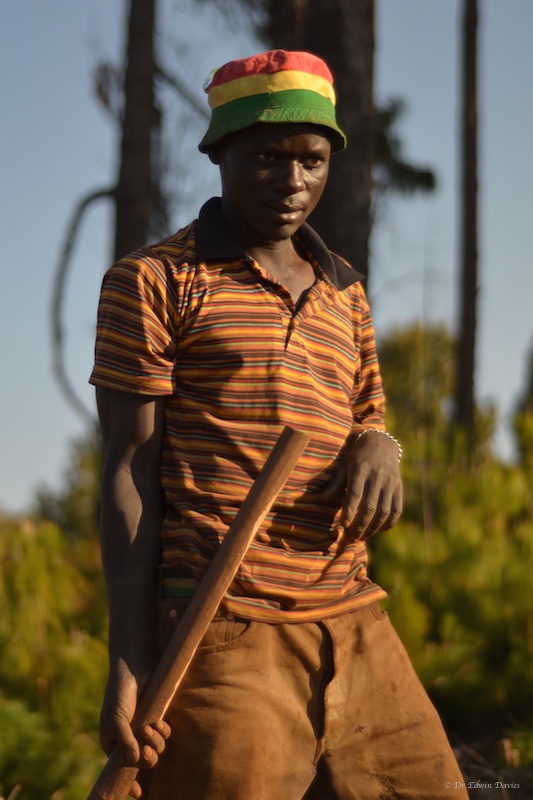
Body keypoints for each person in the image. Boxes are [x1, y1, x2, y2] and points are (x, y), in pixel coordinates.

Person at [91, 49, 468, 800]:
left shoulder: (344, 289)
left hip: (353, 616)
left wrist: (381, 446)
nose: (292, 180)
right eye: (267, 157)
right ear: (219, 154)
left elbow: (367, 414)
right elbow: (129, 471)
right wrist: (129, 656)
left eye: (311, 160)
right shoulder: (156, 281)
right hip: (222, 624)